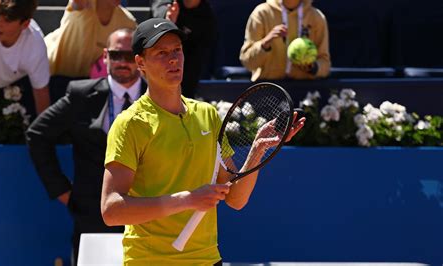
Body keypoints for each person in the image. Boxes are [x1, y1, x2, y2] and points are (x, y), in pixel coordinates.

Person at [100, 18, 305, 265]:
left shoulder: (207, 115)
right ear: (140, 63)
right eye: (162, 53)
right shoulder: (130, 123)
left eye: (177, 50)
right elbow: (111, 210)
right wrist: (186, 199)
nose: (173, 59)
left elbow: (235, 199)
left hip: (208, 259)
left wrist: (258, 148)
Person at [26, 28, 146, 265]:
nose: (122, 62)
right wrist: (62, 191)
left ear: (140, 59)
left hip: (147, 212)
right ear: (105, 57)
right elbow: (37, 134)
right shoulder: (82, 95)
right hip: (92, 212)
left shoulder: (157, 96)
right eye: (116, 54)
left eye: (129, 55)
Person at [0, 0, 51, 152]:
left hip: (20, 87)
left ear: (25, 24)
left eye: (7, 20)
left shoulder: (36, 45)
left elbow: (41, 97)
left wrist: (43, 139)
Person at [239, 0, 331, 82]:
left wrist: (313, 68)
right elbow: (248, 62)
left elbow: (325, 64)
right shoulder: (261, 13)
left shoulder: (317, 17)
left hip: (304, 91)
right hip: (267, 88)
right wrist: (264, 44)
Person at [151, 0, 217, 98]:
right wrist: (168, 20)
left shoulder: (207, 16)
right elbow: (158, 10)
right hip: (155, 73)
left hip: (186, 79)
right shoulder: (169, 4)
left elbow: (199, 58)